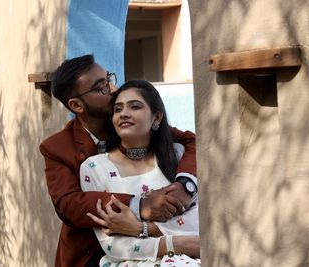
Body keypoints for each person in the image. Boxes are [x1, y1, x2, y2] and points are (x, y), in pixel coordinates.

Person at [39, 55, 198, 267]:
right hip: (93, 251)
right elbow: (68, 204)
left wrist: (185, 185)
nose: (113, 89)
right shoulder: (58, 147)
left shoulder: (136, 125)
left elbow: (193, 142)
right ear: (77, 105)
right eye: (101, 87)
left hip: (164, 243)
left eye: (109, 79)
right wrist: (140, 205)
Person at [80, 79, 200, 266]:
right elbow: (111, 243)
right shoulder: (94, 168)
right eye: (118, 109)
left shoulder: (178, 155)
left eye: (135, 107)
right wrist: (174, 243)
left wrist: (140, 228)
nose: (124, 114)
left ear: (157, 118)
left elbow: (198, 219)